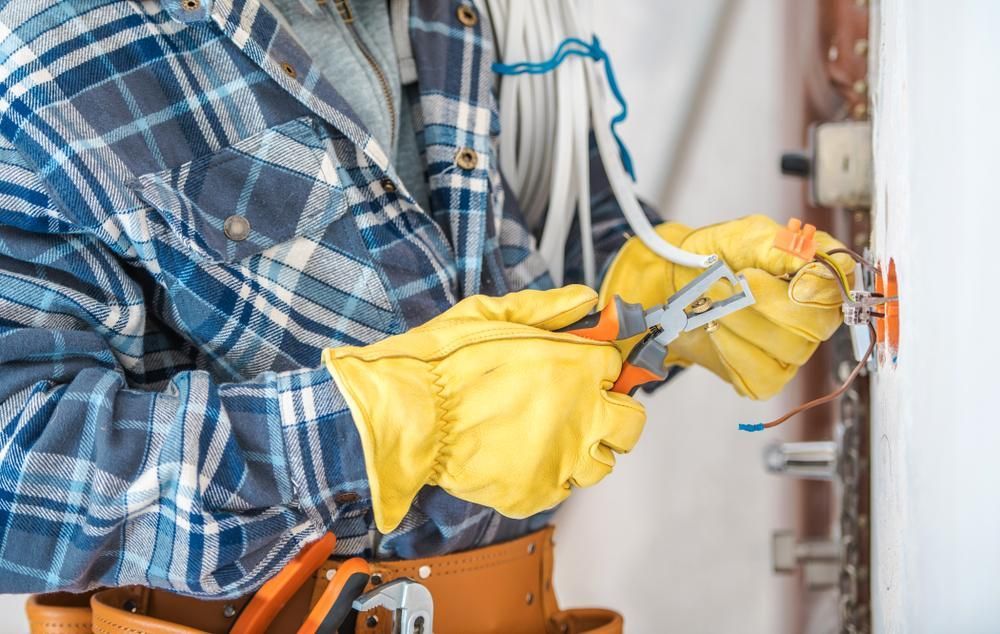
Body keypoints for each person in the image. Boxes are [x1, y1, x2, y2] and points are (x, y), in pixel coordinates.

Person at [0, 1, 850, 631]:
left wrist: (660, 289)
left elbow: (546, 233)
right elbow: (15, 476)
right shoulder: (42, 44)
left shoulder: (481, 13)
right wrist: (387, 427)